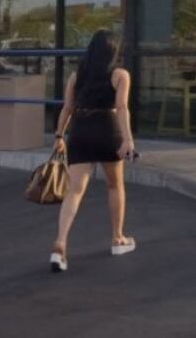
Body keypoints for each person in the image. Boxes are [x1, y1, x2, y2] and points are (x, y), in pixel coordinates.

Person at [49, 30, 136, 273]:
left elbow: (67, 108)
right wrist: (128, 139)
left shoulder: (77, 76)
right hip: (108, 130)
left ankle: (60, 244)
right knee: (115, 185)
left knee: (75, 191)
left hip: (81, 131)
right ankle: (117, 238)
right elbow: (122, 108)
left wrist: (59, 136)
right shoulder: (120, 75)